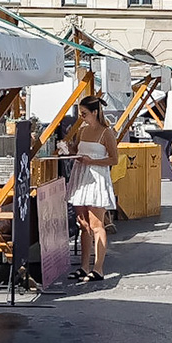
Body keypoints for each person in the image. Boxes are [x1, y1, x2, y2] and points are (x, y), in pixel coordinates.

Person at [64, 96, 118, 281]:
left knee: (96, 225)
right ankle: (84, 266)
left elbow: (114, 159)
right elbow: (76, 150)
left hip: (96, 179)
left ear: (95, 112)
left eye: (84, 113)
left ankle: (98, 268)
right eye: (81, 114)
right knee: (83, 224)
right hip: (81, 177)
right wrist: (68, 150)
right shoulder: (82, 130)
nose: (82, 117)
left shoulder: (106, 133)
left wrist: (92, 161)